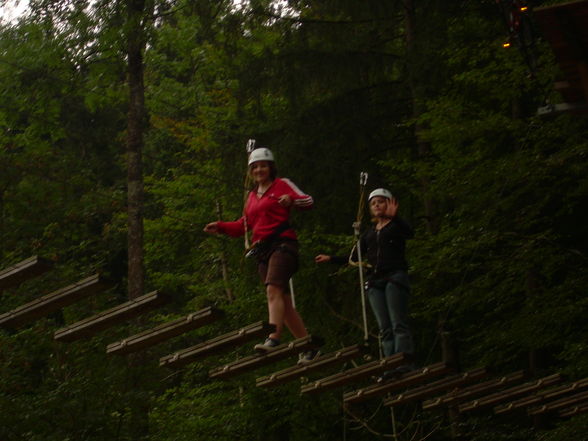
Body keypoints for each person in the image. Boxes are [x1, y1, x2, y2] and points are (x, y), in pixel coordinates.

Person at [204, 147, 319, 364]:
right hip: (263, 250)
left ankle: (273, 337)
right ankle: (308, 346)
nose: (259, 170)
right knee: (282, 302)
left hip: (283, 245)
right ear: (250, 171)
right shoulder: (251, 197)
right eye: (255, 167)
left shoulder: (282, 184)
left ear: (271, 167)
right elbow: (242, 226)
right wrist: (220, 226)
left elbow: (308, 201)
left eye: (263, 166)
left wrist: (290, 200)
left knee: (272, 290)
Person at [315, 188, 415, 381]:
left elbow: (410, 233)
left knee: (398, 324)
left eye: (381, 201)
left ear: (389, 204)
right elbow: (354, 257)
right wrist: (331, 258)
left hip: (394, 277)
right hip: (375, 281)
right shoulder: (369, 234)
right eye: (373, 203)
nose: (377, 205)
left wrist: (396, 218)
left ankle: (404, 363)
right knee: (385, 327)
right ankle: (390, 366)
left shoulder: (395, 227)